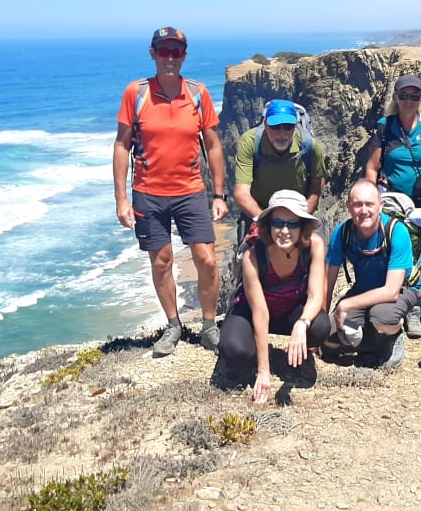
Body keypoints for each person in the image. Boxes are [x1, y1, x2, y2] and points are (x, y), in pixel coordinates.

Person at [113, 26, 228, 357]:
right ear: (153, 54)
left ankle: (209, 327)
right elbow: (122, 146)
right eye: (164, 51)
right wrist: (121, 198)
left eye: (176, 52)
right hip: (148, 193)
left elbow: (214, 145)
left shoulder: (197, 93)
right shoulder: (136, 94)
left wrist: (218, 195)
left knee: (206, 260)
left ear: (184, 56)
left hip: (191, 191)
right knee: (161, 261)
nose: (170, 58)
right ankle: (173, 325)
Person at [218, 190, 330, 405]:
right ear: (268, 225)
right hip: (252, 311)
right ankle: (253, 356)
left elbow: (316, 295)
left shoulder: (314, 245)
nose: (285, 231)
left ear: (303, 226)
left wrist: (301, 324)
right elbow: (260, 313)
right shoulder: (253, 255)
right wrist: (264, 371)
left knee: (321, 326)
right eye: (278, 223)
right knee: (234, 350)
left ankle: (300, 354)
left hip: (289, 309)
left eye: (293, 224)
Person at [365, 74, 421, 339]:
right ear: (395, 98)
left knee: (417, 256)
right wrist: (370, 201)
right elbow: (372, 167)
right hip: (390, 202)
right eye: (404, 96)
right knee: (389, 252)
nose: (409, 101)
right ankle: (386, 304)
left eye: (415, 96)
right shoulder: (384, 127)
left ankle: (413, 310)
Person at [324, 179, 419, 369]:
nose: (364, 210)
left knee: (382, 316)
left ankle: (393, 334)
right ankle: (372, 340)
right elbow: (328, 281)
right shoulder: (342, 233)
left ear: (380, 206)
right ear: (349, 207)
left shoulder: (396, 231)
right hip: (364, 290)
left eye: (369, 204)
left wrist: (346, 304)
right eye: (358, 204)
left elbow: (391, 291)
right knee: (327, 339)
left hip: (401, 289)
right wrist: (320, 322)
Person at [233, 99, 327, 229]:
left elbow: (317, 186)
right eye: (275, 127)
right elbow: (241, 193)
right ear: (265, 125)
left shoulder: (309, 146)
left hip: (298, 213)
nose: (281, 133)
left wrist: (301, 219)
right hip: (259, 211)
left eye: (288, 126)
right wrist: (265, 223)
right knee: (250, 249)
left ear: (294, 127)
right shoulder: (250, 143)